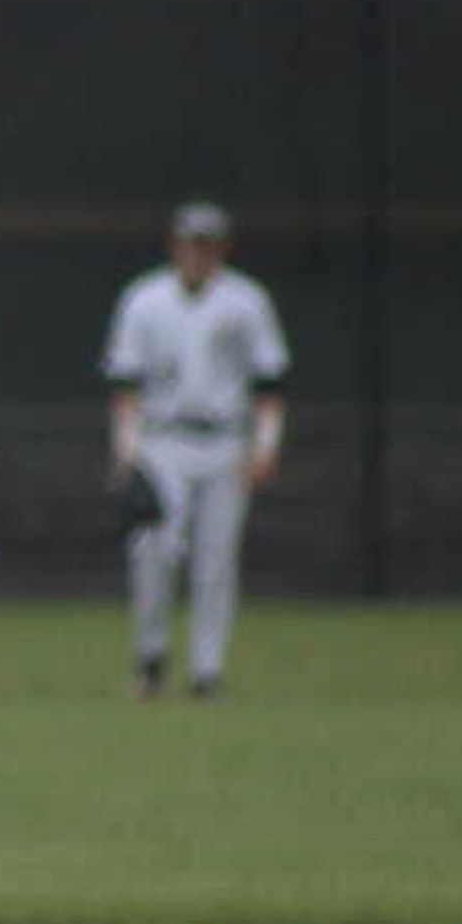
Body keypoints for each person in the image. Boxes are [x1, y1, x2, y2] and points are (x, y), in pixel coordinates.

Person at [101, 201, 290, 701]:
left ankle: (207, 670)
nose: (199, 254)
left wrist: (266, 446)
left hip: (225, 441)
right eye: (191, 243)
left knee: (216, 559)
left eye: (208, 245)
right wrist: (127, 452)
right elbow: (126, 385)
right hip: (162, 442)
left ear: (221, 249)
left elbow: (269, 383)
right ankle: (151, 658)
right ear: (175, 245)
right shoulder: (145, 300)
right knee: (154, 552)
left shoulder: (246, 302)